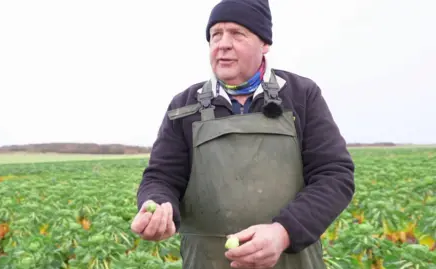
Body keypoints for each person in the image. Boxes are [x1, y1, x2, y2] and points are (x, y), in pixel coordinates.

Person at [131, 0, 355, 268]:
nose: (223, 43)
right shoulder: (184, 105)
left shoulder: (301, 95)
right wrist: (157, 204)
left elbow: (334, 175)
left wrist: (283, 232)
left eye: (237, 33)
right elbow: (161, 177)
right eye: (216, 34)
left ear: (264, 43)